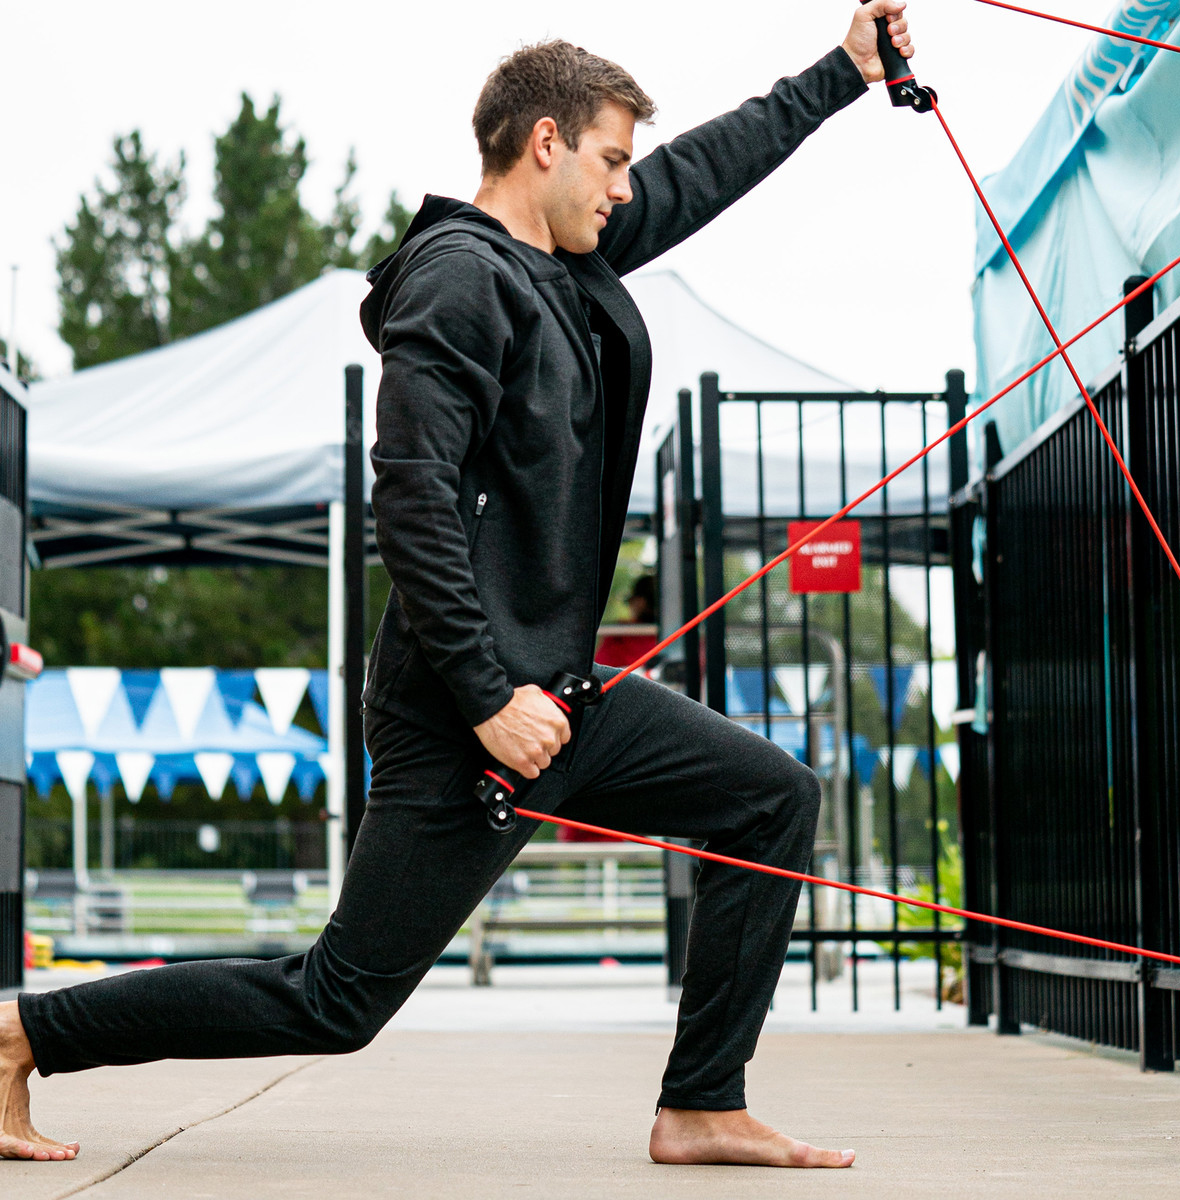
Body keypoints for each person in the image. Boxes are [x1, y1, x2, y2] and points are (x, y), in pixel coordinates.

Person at [0, 1, 913, 1167]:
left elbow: (698, 174)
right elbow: (412, 495)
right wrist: (486, 697)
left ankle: (701, 1103)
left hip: (556, 695)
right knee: (337, 997)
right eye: (610, 160)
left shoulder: (567, 263)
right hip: (462, 706)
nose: (626, 187)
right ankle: (22, 1034)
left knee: (767, 796)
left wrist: (842, 71)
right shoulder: (458, 279)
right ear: (545, 142)